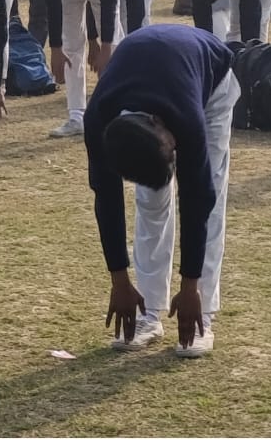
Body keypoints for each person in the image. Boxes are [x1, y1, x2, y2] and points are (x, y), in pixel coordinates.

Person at [84, 25, 239, 357]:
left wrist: (190, 286)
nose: (176, 158)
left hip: (211, 80)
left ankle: (202, 315)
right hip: (153, 68)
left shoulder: (187, 118)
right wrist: (119, 281)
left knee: (211, 201)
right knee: (151, 201)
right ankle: (150, 314)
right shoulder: (98, 121)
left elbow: (198, 201)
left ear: (159, 123)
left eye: (171, 152)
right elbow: (106, 197)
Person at [42, 0, 121, 138]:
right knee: (71, 45)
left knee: (115, 41)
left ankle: (116, 110)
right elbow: (52, 4)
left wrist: (105, 47)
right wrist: (55, 48)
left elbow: (109, 0)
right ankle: (76, 116)